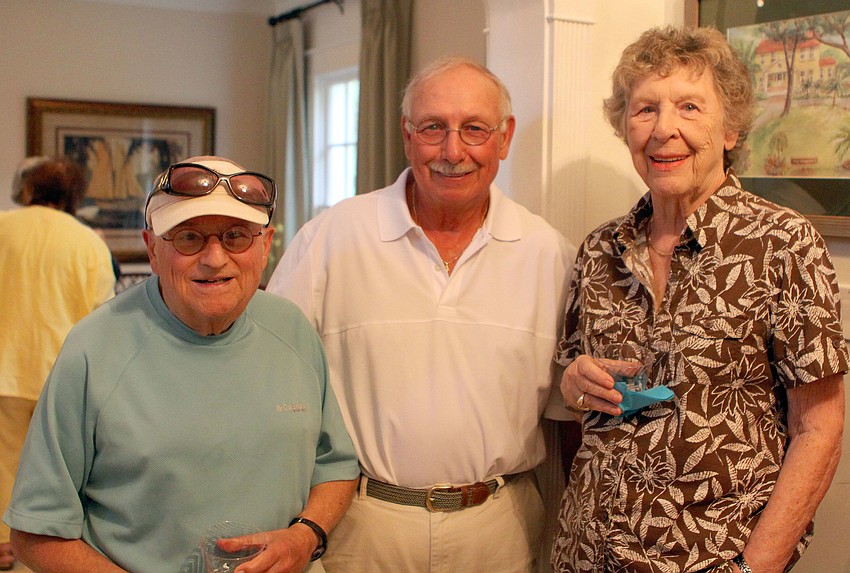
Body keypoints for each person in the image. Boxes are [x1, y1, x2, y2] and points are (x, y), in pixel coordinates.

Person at [551, 26, 847, 573]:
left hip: (713, 561)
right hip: (586, 555)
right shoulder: (599, 251)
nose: (665, 130)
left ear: (730, 127)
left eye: (690, 107)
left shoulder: (782, 243)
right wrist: (574, 383)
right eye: (644, 110)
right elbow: (576, 394)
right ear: (624, 127)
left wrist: (753, 567)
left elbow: (820, 429)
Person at [266, 57, 576, 573]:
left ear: (504, 138)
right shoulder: (332, 238)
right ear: (408, 136)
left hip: (500, 528)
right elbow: (274, 383)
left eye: (474, 129)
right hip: (362, 525)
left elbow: (568, 424)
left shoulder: (551, 256)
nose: (453, 151)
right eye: (434, 128)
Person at [4, 156, 361, 573]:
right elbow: (36, 531)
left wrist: (306, 535)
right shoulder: (93, 348)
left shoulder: (292, 329)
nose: (214, 258)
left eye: (236, 237)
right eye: (189, 237)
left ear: (265, 248)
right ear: (152, 249)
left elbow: (336, 464)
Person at [0, 156, 116, 571]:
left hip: (4, 372)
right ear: (73, 197)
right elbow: (102, 317)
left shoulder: (1, 227)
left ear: (27, 190)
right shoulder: (87, 243)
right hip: (64, 377)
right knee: (58, 476)